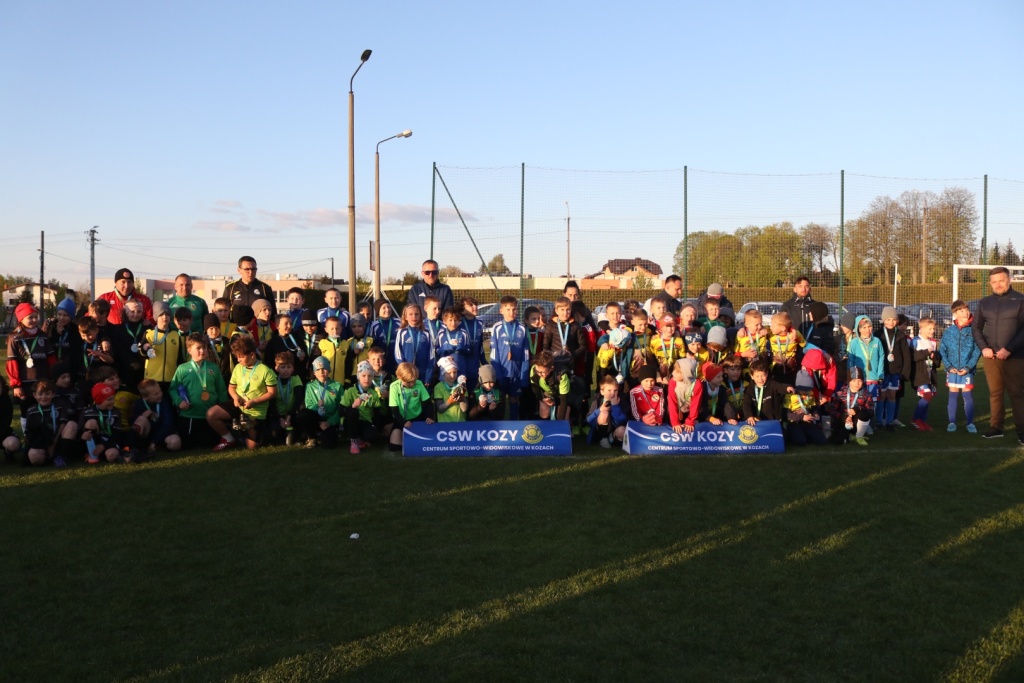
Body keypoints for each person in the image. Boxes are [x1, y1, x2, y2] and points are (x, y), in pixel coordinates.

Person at [971, 266, 1024, 442]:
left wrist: (1009, 349)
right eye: (994, 282)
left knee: (1017, 393)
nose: (998, 284)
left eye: (1001, 280)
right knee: (995, 393)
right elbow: (976, 328)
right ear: (990, 283)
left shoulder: (1021, 300)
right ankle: (996, 427)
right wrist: (984, 348)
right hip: (991, 357)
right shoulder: (984, 302)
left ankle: (1022, 430)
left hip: (1016, 356)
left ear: (1009, 280)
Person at [207, 335, 279, 451]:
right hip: (238, 405)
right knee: (211, 414)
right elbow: (231, 387)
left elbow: (272, 393)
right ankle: (229, 438)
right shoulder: (238, 368)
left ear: (252, 355)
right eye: (237, 357)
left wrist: (254, 401)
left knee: (251, 447)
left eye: (241, 357)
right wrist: (235, 398)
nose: (238, 360)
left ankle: (257, 431)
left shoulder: (266, 371)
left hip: (255, 410)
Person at [169, 333, 228, 449]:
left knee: (209, 444)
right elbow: (173, 389)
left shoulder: (214, 367)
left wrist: (223, 410)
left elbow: (221, 391)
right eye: (198, 348)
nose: (202, 351)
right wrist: (179, 402)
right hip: (189, 416)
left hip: (210, 417)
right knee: (188, 446)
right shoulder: (182, 368)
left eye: (204, 347)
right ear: (189, 350)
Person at [940, 300, 981, 433]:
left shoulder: (974, 330)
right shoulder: (949, 331)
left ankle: (970, 423)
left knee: (967, 395)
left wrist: (968, 367)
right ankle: (952, 422)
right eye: (962, 310)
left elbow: (977, 350)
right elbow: (942, 349)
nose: (966, 312)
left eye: (967, 309)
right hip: (952, 370)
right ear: (955, 313)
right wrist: (948, 366)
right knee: (952, 395)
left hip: (966, 370)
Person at [489, 296, 529, 419]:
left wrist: (523, 375)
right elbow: (494, 353)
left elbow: (525, 354)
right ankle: (499, 425)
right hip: (501, 372)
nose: (511, 312)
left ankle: (514, 423)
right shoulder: (497, 328)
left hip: (516, 373)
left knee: (514, 399)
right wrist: (498, 374)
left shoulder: (522, 328)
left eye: (514, 309)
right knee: (499, 400)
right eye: (508, 309)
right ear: (501, 311)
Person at [388, 362, 435, 452]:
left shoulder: (419, 384)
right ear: (399, 377)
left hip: (417, 417)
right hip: (401, 419)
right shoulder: (394, 387)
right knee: (394, 447)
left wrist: (430, 417)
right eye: (409, 382)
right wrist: (403, 422)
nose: (413, 384)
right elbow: (394, 410)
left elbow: (428, 403)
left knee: (424, 444)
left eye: (414, 380)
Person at [908, 318, 941, 432]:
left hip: (930, 375)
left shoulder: (933, 342)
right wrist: (926, 352)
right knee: (927, 395)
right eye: (929, 329)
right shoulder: (916, 341)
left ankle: (922, 420)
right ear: (921, 329)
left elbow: (937, 362)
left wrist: (935, 357)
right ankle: (915, 419)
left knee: (928, 397)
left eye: (933, 329)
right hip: (919, 374)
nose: (932, 331)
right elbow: (913, 357)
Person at [223, 256, 277, 324]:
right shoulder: (230, 288)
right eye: (247, 269)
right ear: (239, 270)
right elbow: (223, 310)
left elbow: (273, 313)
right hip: (235, 328)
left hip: (258, 328)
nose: (251, 272)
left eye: (253, 269)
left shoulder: (265, 288)